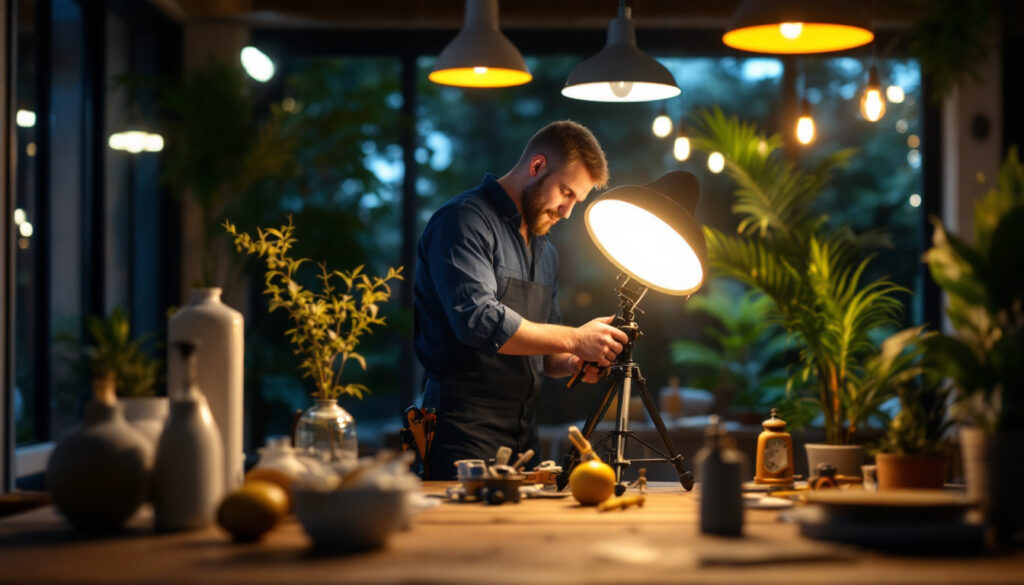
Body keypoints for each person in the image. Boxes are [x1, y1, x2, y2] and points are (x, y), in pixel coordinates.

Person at [414, 120, 629, 479]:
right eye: (566, 193)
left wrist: (577, 360)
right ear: (536, 166)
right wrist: (577, 338)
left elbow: (548, 357)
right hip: (461, 433)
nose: (567, 211)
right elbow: (477, 321)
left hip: (525, 437)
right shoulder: (463, 221)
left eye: (576, 200)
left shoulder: (545, 250)